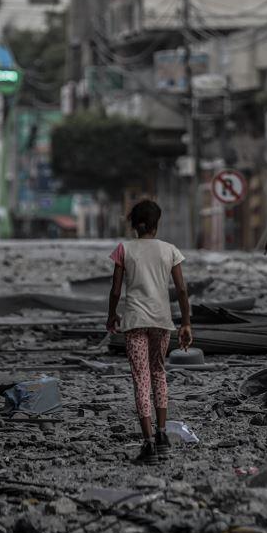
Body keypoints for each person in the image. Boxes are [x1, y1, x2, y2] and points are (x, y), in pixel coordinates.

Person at [106, 199, 193, 464]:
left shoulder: (124, 250)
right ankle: (163, 434)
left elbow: (116, 290)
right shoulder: (170, 250)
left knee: (140, 378)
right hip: (161, 321)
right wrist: (186, 323)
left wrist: (111, 315)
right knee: (158, 373)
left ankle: (148, 444)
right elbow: (181, 290)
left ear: (135, 225)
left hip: (134, 322)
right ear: (157, 224)